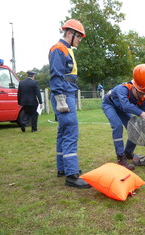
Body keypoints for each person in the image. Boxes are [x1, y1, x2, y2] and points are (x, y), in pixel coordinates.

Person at [49, 19, 91, 189]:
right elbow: (56, 75)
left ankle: (62, 169)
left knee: (63, 131)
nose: (79, 39)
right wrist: (60, 98)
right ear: (69, 33)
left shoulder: (66, 49)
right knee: (71, 132)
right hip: (64, 94)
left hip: (67, 92)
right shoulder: (58, 49)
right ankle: (72, 175)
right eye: (78, 36)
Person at [102, 64, 145, 171]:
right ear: (134, 88)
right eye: (140, 92)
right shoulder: (122, 89)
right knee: (117, 126)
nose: (142, 95)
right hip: (110, 104)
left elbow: (144, 114)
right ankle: (120, 158)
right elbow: (126, 106)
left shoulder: (142, 96)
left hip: (121, 108)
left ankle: (127, 153)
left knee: (136, 129)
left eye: (144, 93)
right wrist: (143, 114)